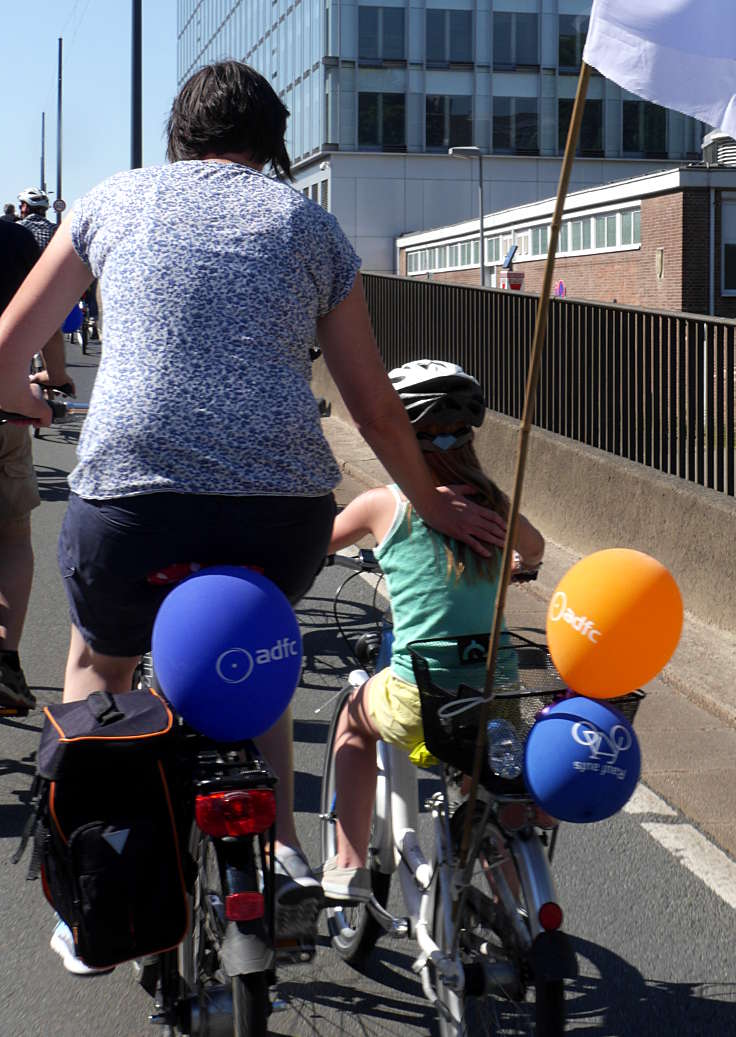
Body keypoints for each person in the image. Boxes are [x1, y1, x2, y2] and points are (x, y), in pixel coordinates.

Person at [0, 60, 502, 966]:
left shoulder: (113, 200)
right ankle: (279, 849)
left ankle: (96, 889)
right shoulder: (309, 224)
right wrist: (433, 505)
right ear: (272, 146)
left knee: (98, 662)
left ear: (177, 136)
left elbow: (9, 345)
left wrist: (25, 401)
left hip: (132, 507)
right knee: (260, 651)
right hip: (279, 512)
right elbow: (373, 408)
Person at [319, 360, 545, 902]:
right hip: (499, 690)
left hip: (419, 694)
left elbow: (318, 543)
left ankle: (347, 864)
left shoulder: (383, 505)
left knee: (353, 720)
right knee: (484, 781)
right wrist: (513, 562)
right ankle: (519, 907)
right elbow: (534, 550)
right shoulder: (494, 500)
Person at [0, 219, 74, 714]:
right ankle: (5, 662)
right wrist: (59, 376)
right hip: (5, 404)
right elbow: (45, 319)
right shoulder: (14, 240)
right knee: (12, 536)